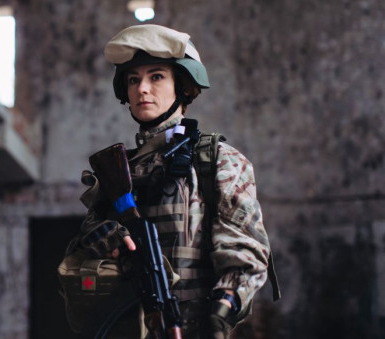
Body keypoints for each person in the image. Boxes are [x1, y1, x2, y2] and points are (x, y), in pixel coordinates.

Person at [61, 24, 277, 338]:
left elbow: (245, 254)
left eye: (156, 76)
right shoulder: (119, 169)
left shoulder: (217, 160)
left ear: (183, 86)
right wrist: (99, 236)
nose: (142, 89)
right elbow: (79, 254)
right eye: (133, 80)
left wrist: (221, 314)